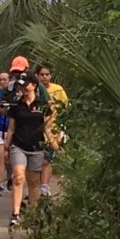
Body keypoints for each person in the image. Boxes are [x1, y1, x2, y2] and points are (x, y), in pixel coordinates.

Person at [5, 71, 58, 228]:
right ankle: (15, 214)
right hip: (18, 145)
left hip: (36, 147)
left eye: (25, 84)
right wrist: (7, 147)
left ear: (34, 85)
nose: (23, 88)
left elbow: (47, 129)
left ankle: (33, 215)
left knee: (33, 182)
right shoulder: (16, 106)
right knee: (18, 178)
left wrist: (55, 144)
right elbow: (11, 129)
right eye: (20, 85)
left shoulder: (43, 105)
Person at [35, 64, 68, 197]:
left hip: (53, 129)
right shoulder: (34, 89)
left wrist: (61, 129)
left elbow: (66, 108)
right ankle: (35, 187)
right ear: (37, 76)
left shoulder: (58, 89)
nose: (44, 77)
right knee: (36, 162)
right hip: (36, 129)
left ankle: (44, 187)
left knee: (46, 160)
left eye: (47, 74)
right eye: (42, 75)